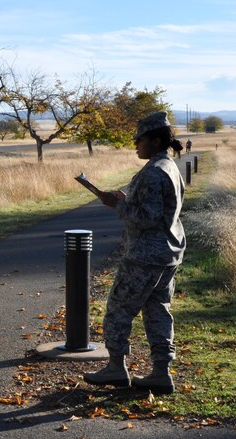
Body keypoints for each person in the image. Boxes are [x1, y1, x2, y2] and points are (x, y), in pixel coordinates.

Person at [84, 111, 186, 395]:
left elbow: (148, 217)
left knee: (118, 309)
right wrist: (127, 201)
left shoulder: (154, 172)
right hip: (167, 253)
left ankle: (116, 368)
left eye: (139, 140)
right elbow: (159, 211)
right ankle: (161, 373)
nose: (135, 145)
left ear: (154, 141)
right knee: (157, 311)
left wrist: (116, 205)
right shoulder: (169, 166)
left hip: (145, 255)